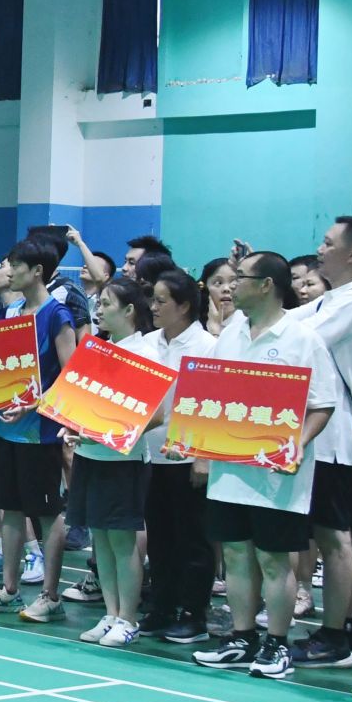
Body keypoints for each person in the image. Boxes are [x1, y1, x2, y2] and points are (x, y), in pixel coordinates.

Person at [186, 252, 340, 679]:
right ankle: (242, 637)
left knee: (274, 560)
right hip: (230, 470)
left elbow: (323, 404)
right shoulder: (232, 333)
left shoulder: (303, 339)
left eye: (240, 277)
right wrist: (198, 447)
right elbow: (212, 393)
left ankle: (277, 643)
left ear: (267, 285)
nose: (231, 285)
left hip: (276, 475)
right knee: (236, 555)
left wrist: (296, 445)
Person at [282, 215, 352, 669]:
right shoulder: (332, 299)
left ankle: (335, 636)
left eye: (327, 243)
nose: (319, 250)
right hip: (319, 438)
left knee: (334, 537)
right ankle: (351, 629)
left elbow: (299, 343)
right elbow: (286, 319)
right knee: (326, 534)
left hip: (336, 436)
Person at [0, 239, 77, 620]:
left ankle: (50, 596)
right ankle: (10, 589)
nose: (8, 271)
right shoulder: (11, 311)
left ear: (37, 272)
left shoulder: (57, 315)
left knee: (47, 514)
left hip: (39, 434)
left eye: (15, 265)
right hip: (4, 429)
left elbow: (71, 378)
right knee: (11, 509)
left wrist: (33, 404)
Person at [62, 279, 161, 646]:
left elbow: (156, 414)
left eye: (106, 304)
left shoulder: (146, 353)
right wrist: (71, 425)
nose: (98, 310)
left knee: (122, 542)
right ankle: (110, 613)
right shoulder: (98, 350)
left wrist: (106, 434)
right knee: (100, 541)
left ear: (129, 310)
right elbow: (79, 402)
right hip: (88, 455)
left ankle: (128, 618)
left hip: (123, 461)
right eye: (98, 304)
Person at [140, 271, 217, 644]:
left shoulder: (208, 346)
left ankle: (193, 613)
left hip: (187, 459)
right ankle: (162, 605)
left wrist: (203, 458)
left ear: (184, 306)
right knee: (159, 537)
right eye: (152, 300)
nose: (153, 308)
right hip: (149, 453)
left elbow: (212, 405)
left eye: (161, 301)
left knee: (193, 539)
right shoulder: (147, 343)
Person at [199, 257, 238, 336]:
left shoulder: (249, 324)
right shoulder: (194, 325)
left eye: (233, 282)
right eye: (218, 283)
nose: (226, 289)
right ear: (204, 287)